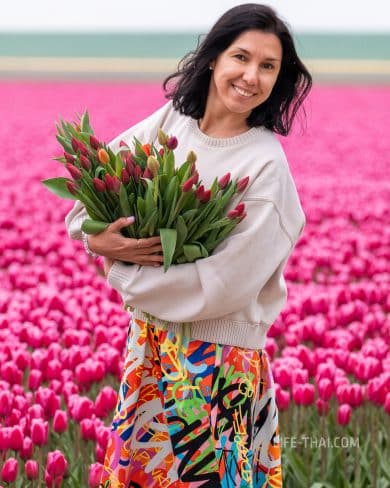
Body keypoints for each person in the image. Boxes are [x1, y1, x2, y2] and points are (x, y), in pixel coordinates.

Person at [65, 3, 312, 487]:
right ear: (215, 57)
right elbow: (87, 196)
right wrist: (97, 239)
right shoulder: (171, 124)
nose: (250, 76)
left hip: (215, 365)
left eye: (268, 66)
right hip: (149, 349)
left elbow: (221, 289)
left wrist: (118, 271)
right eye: (241, 57)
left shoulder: (265, 166)